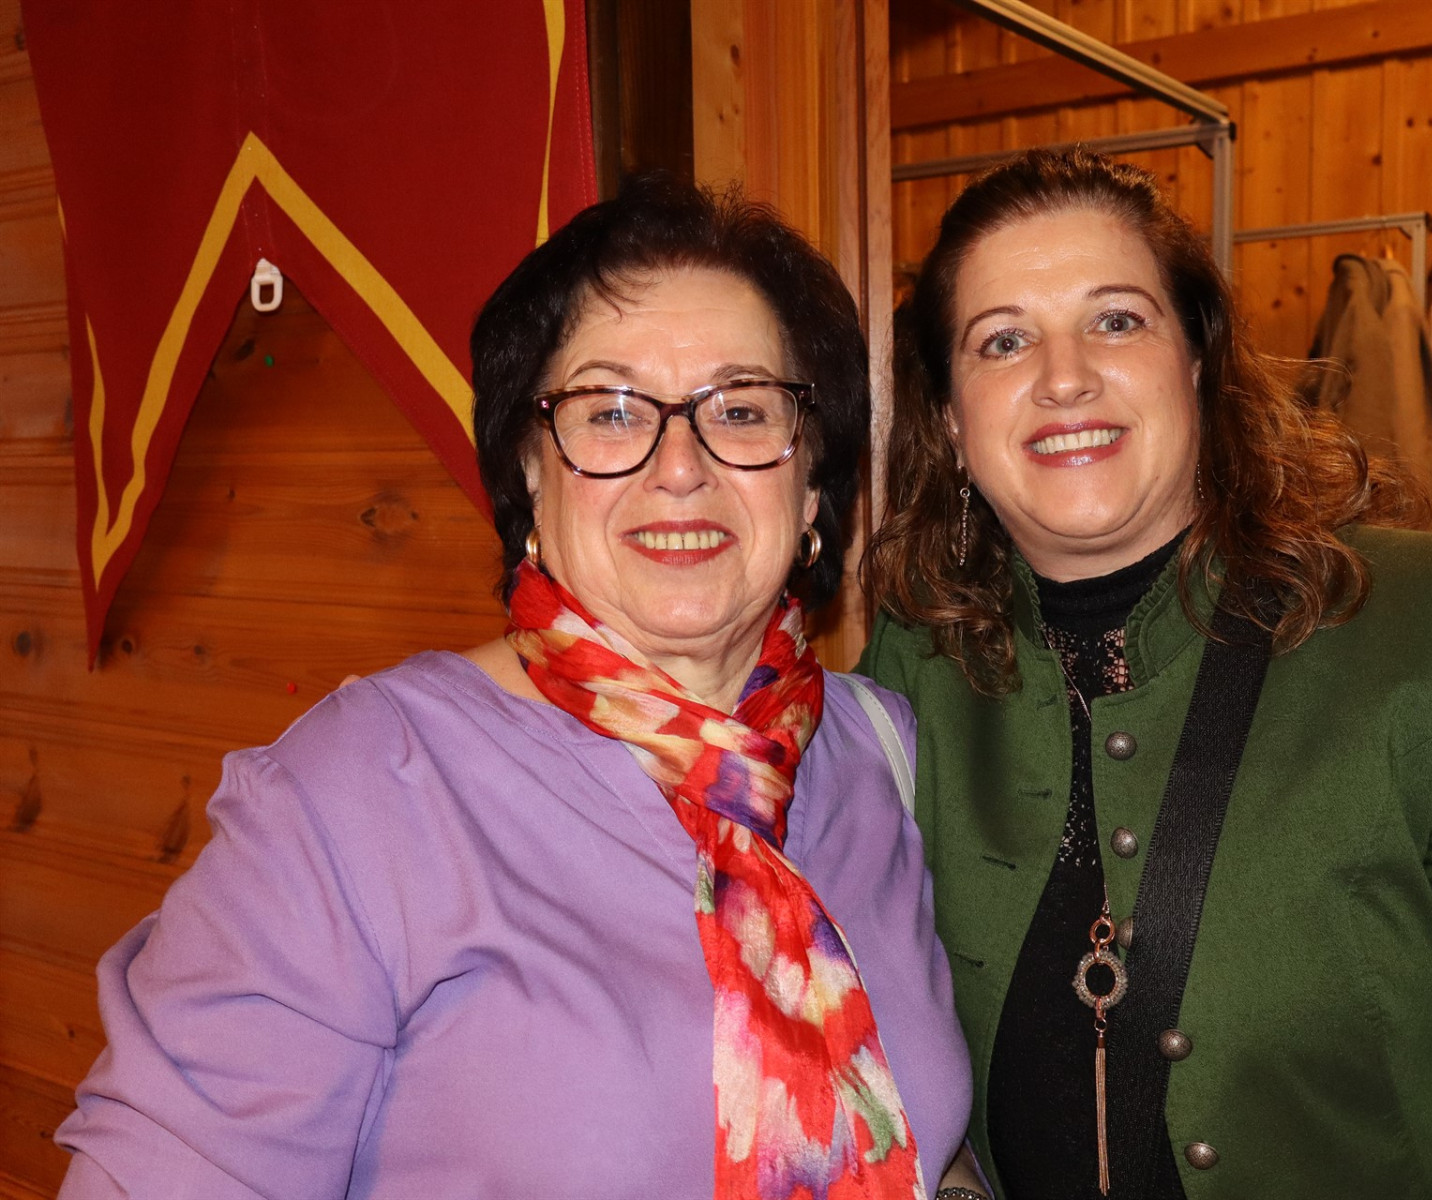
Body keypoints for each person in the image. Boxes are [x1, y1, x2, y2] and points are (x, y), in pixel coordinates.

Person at [56, 175, 971, 1199]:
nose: (680, 465)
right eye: (611, 411)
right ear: (531, 473)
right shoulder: (360, 794)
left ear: (809, 488)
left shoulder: (880, 752)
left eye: (742, 409)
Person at [859, 149, 1432, 1199]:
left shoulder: (1430, 628)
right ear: (953, 422)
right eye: (1003, 340)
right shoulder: (911, 666)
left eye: (1116, 320)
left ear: (1196, 363)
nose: (1064, 377)